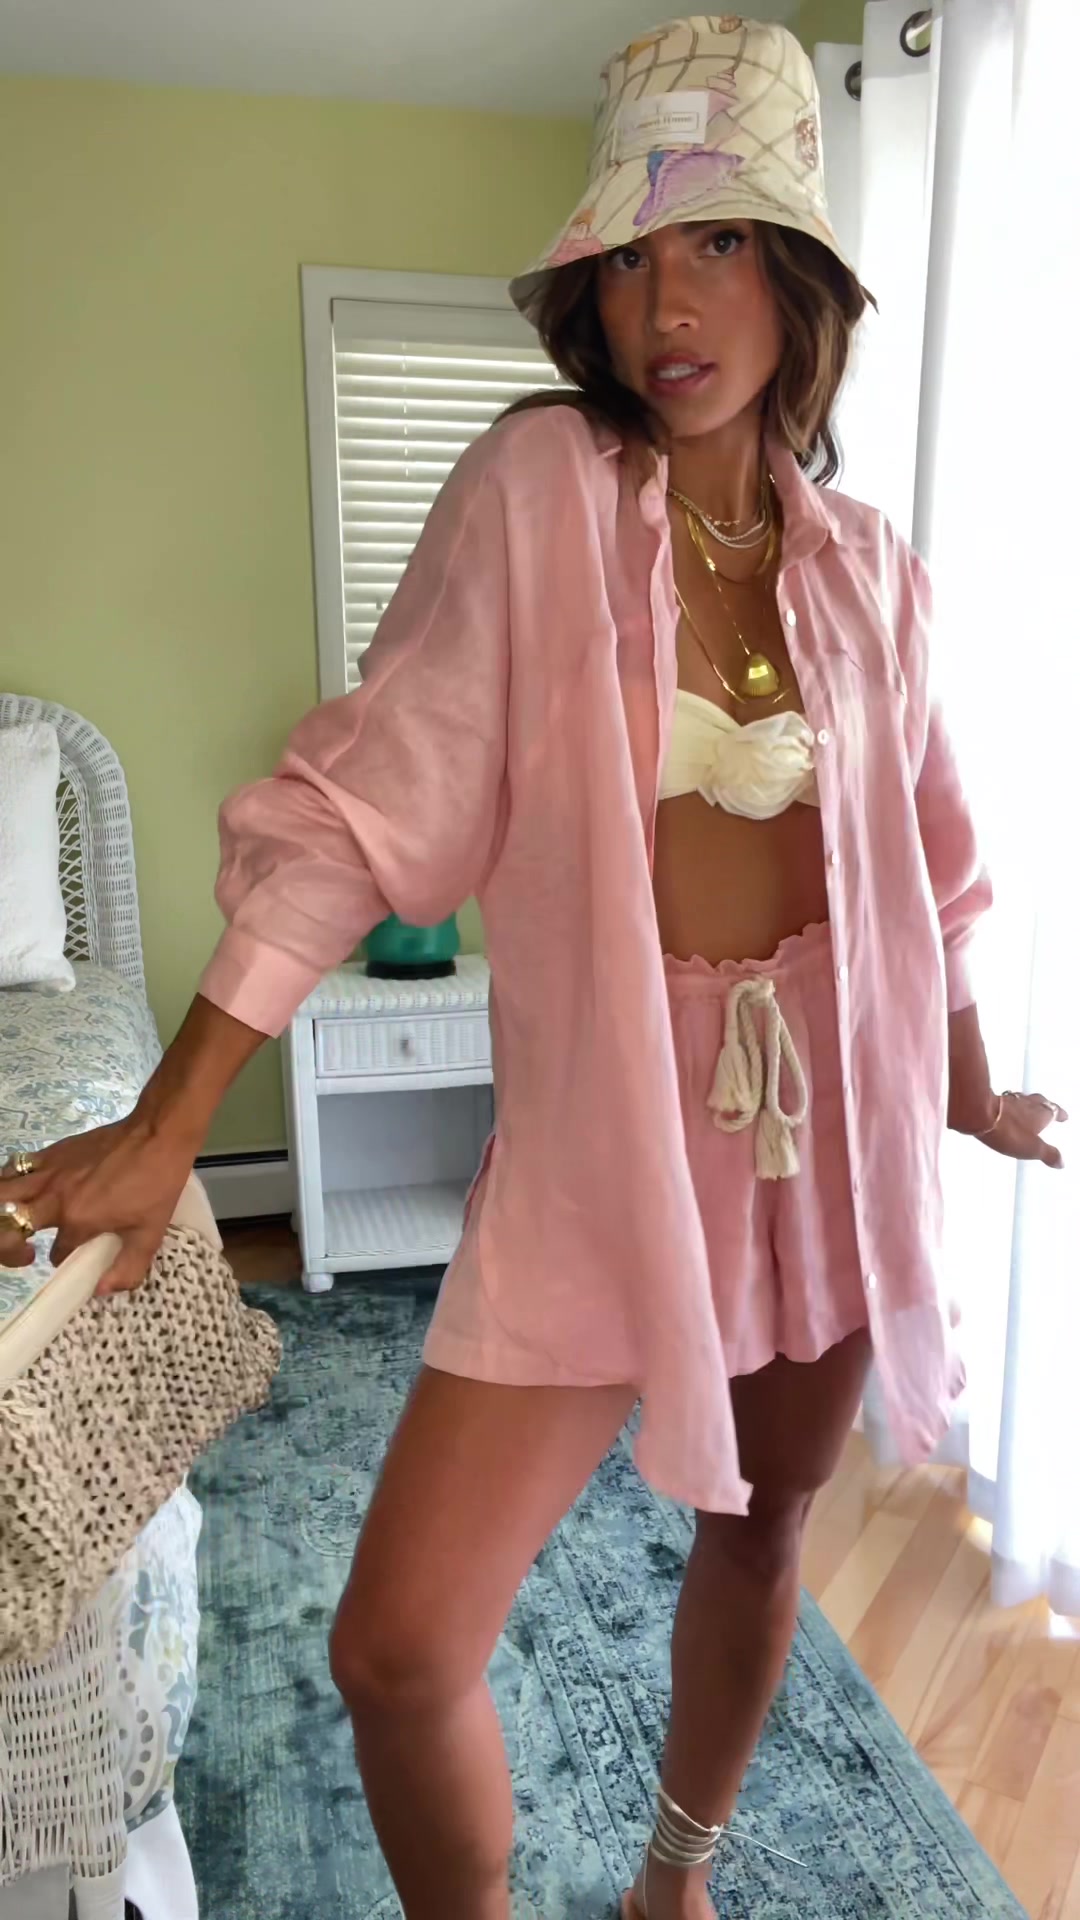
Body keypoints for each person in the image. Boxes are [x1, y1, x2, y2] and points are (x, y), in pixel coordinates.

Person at [0, 17, 1065, 1920]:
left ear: (798, 274)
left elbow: (936, 860)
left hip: (836, 1134)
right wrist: (170, 1127)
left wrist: (968, 1079)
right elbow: (359, 809)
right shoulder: (540, 495)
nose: (668, 301)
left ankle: (676, 1877)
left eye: (716, 240)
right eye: (632, 257)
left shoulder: (872, 574)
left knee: (766, 1528)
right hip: (607, 1145)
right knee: (399, 1648)